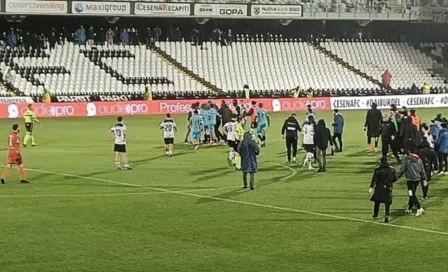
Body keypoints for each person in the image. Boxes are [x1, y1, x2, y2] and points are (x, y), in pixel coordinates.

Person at [396, 149, 427, 216]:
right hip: (417, 180)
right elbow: (422, 170)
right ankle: (409, 208)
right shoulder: (419, 159)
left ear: (410, 152)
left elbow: (402, 169)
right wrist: (424, 179)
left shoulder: (407, 159)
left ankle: (419, 207)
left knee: (411, 194)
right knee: (412, 194)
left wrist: (396, 177)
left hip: (410, 180)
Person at [369, 157, 397, 223]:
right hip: (388, 187)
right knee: (387, 202)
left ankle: (375, 215)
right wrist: (390, 183)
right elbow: (395, 178)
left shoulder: (378, 169)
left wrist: (371, 187)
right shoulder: (392, 169)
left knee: (377, 202)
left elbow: (374, 179)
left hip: (379, 187)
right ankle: (386, 216)